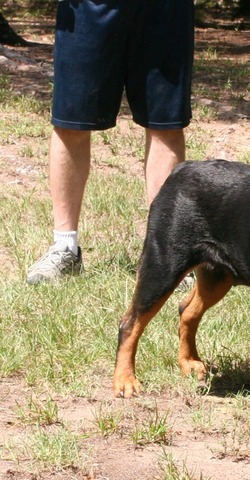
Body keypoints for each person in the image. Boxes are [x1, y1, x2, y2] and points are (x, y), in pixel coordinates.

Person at [26, 0, 195, 284]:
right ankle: (64, 247)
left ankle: (164, 254)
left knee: (165, 124)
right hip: (86, 7)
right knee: (71, 122)